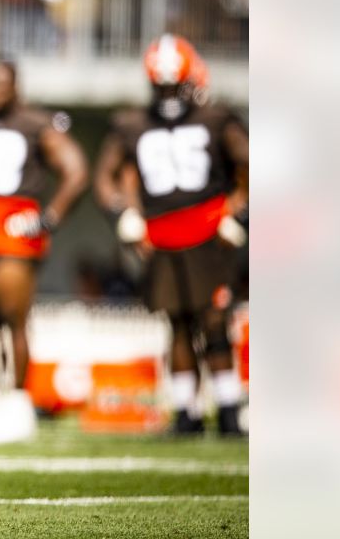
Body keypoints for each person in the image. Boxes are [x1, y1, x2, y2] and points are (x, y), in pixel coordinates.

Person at [93, 34, 248, 437]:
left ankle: (228, 409)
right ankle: (185, 413)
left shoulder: (216, 119)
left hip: (209, 235)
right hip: (161, 238)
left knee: (214, 321)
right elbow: (106, 178)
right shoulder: (132, 124)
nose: (168, 94)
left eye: (173, 84)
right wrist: (124, 212)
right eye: (161, 85)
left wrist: (239, 209)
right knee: (176, 325)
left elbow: (248, 163)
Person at [0, 56, 88, 444]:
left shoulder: (35, 123)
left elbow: (76, 170)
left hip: (13, 223)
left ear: (16, 88)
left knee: (14, 320)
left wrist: (50, 217)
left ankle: (21, 405)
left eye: (1, 84)